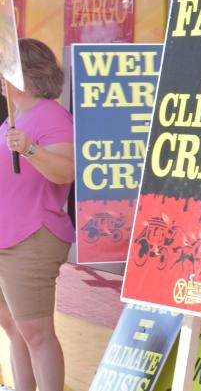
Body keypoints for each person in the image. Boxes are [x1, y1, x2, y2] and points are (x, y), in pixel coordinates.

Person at [0, 39, 75, 391]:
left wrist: (30, 148)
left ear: (26, 76)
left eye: (6, 70)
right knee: (15, 328)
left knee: (35, 330)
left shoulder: (52, 116)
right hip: (8, 234)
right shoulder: (14, 118)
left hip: (32, 235)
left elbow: (65, 172)